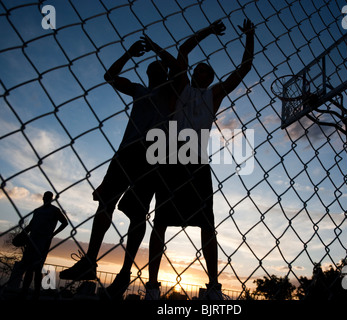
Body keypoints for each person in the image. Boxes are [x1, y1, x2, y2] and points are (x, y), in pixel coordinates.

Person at [59, 37, 179, 300]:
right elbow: (110, 76)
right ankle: (90, 261)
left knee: (138, 214)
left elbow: (177, 65)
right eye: (152, 69)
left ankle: (125, 273)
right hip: (127, 152)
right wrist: (128, 53)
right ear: (147, 75)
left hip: (153, 153)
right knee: (105, 202)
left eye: (160, 68)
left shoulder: (172, 90)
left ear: (165, 72)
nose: (157, 70)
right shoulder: (139, 90)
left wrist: (156, 48)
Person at [146, 19, 255, 300]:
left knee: (207, 224)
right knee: (161, 222)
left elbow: (244, 69)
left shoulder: (213, 95)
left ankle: (213, 287)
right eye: (199, 68)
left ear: (210, 78)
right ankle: (153, 287)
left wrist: (250, 36)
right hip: (172, 155)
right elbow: (183, 50)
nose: (201, 71)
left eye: (207, 70)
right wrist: (207, 30)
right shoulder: (181, 85)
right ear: (193, 73)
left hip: (196, 160)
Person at [17, 191, 68, 298]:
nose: (47, 198)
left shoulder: (55, 210)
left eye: (49, 197)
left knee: (37, 267)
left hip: (43, 241)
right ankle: (25, 291)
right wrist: (22, 234)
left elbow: (65, 222)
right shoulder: (38, 211)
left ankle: (35, 292)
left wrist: (53, 234)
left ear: (51, 198)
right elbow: (30, 226)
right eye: (46, 196)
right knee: (29, 267)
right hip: (32, 240)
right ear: (43, 198)